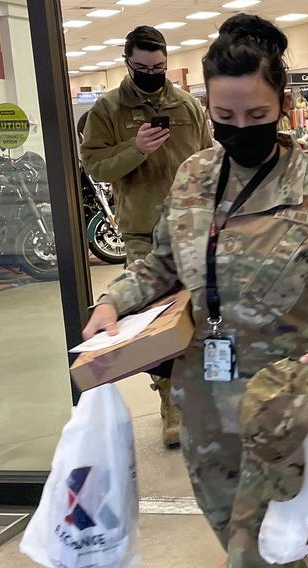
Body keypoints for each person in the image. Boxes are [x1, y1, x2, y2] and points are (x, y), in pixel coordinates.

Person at [82, 13, 308, 568]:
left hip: (280, 402)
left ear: (282, 108)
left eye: (257, 115)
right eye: (223, 116)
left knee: (263, 552)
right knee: (233, 534)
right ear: (206, 108)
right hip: (201, 399)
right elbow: (161, 264)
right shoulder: (193, 175)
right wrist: (113, 300)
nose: (239, 127)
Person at [80, 25, 213, 449]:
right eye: (143, 67)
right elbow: (95, 167)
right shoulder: (108, 110)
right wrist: (136, 148)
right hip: (143, 229)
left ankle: (201, 394)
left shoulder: (187, 105)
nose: (153, 73)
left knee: (201, 311)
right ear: (127, 63)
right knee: (155, 316)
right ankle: (170, 403)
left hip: (195, 226)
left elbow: (211, 155)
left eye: (159, 66)